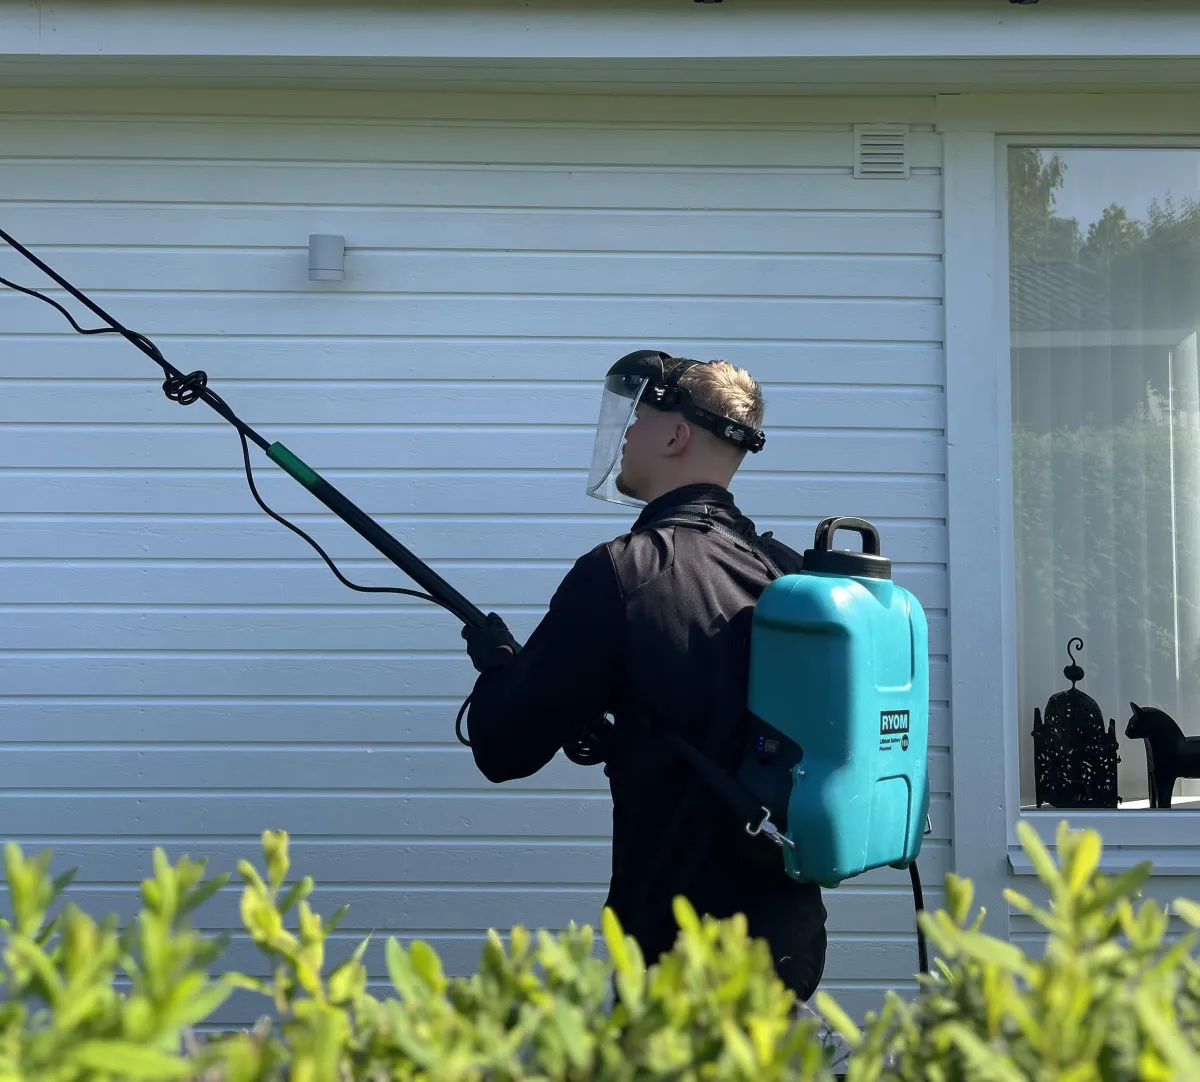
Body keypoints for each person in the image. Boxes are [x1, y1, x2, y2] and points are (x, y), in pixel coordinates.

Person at [459, 349, 828, 1000]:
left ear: (676, 435)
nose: (624, 434)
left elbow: (502, 747)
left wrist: (499, 670)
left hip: (675, 950)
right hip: (791, 936)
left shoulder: (625, 574)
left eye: (635, 419)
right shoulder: (786, 574)